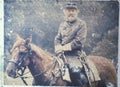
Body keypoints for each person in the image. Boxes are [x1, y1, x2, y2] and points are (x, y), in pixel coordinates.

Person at [54, 2, 88, 86]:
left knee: (75, 73)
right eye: (69, 10)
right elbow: (58, 38)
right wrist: (58, 47)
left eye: (73, 10)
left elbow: (79, 41)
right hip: (61, 55)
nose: (71, 13)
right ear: (65, 12)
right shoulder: (62, 24)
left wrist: (63, 47)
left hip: (74, 55)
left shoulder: (81, 24)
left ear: (77, 12)